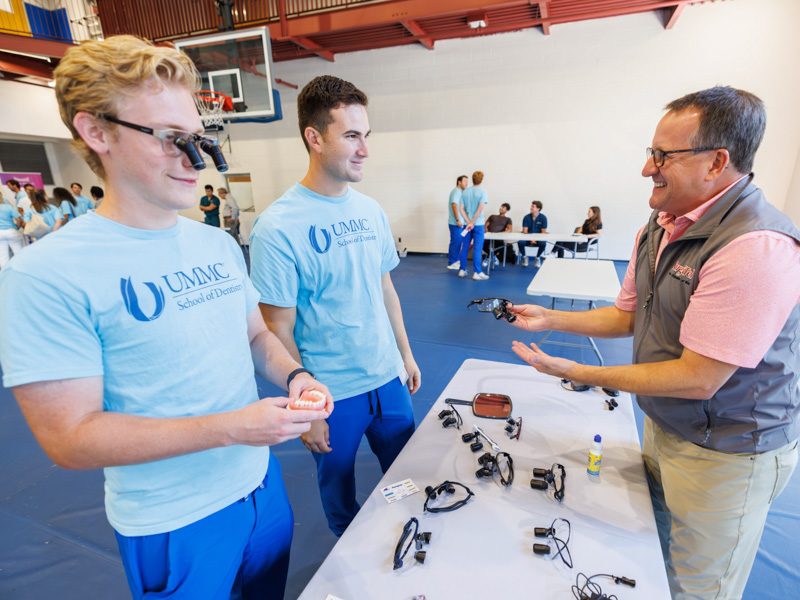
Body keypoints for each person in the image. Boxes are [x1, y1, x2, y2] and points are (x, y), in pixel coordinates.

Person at [0, 35, 334, 600]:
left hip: (260, 487)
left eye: (199, 140)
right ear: (96, 131)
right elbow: (70, 439)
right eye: (170, 140)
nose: (194, 160)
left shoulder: (217, 245)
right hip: (175, 519)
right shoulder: (47, 274)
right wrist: (233, 427)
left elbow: (254, 334)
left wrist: (296, 377)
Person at [507, 86, 800, 600]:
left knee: (696, 588)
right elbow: (628, 315)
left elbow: (698, 376)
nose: (649, 168)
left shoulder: (754, 246)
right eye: (651, 153)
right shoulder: (659, 227)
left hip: (727, 453)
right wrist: (549, 317)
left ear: (716, 162)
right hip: (664, 427)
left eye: (664, 156)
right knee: (654, 557)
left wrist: (578, 373)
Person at [249, 74, 421, 537]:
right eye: (351, 136)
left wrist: (404, 354)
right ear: (314, 138)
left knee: (407, 476)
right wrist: (304, 408)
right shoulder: (278, 227)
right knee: (339, 488)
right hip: (331, 393)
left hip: (387, 378)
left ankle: (407, 536)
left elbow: (386, 289)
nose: (365, 149)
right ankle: (351, 558)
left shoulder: (370, 210)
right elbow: (276, 329)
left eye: (366, 136)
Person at [457, 170, 489, 280]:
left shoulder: (465, 192)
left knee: (465, 247)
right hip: (478, 225)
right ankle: (477, 272)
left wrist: (468, 222)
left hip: (467, 225)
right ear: (481, 180)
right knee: (477, 248)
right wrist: (473, 222)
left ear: (472, 179)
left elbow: (461, 209)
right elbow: (480, 210)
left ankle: (462, 270)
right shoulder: (483, 192)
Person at [518, 200, 561, 267]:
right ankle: (524, 257)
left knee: (543, 243)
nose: (531, 208)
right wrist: (530, 240)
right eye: (531, 206)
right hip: (527, 238)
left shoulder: (543, 218)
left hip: (538, 239)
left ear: (538, 209)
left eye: (533, 207)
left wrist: (535, 240)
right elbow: (525, 231)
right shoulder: (526, 217)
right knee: (520, 242)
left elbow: (543, 232)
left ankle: (537, 258)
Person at [446, 175, 468, 269]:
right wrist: (458, 220)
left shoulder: (460, 192)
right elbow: (454, 206)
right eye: (465, 181)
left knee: (458, 242)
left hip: (459, 223)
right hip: (455, 223)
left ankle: (455, 260)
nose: (466, 183)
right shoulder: (456, 192)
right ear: (459, 182)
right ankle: (451, 262)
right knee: (455, 242)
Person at [482, 202, 514, 266]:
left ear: (506, 210)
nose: (501, 208)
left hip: (498, 237)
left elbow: (509, 230)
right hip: (489, 236)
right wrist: (486, 231)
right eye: (501, 206)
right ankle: (493, 256)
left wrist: (499, 234)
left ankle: (489, 257)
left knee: (501, 245)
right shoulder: (492, 216)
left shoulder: (507, 219)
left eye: (503, 207)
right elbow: (485, 225)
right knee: (480, 243)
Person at [0, 201, 23, 269]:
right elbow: (18, 219)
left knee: (3, 256)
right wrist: (17, 227)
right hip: (11, 231)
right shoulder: (7, 207)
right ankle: (21, 269)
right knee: (18, 252)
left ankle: (5, 274)